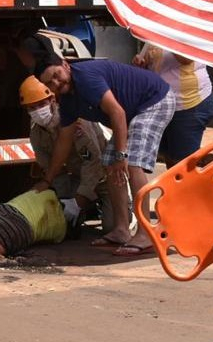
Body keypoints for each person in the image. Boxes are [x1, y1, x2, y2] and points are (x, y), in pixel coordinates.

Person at [32, 53, 175, 256]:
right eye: (50, 83)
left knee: (132, 164)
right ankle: (121, 230)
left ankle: (145, 234)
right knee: (109, 164)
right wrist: (47, 180)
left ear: (65, 65)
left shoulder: (86, 78)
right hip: (130, 112)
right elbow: (64, 141)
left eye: (57, 75)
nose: (56, 82)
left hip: (154, 100)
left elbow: (117, 113)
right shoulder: (68, 101)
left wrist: (121, 155)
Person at [19, 75, 115, 231]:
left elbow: (94, 163)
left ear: (52, 100)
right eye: (32, 107)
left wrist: (78, 201)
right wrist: (63, 201)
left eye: (41, 104)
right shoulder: (37, 134)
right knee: (67, 224)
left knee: (112, 227)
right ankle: (86, 208)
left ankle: (120, 202)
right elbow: (54, 171)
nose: (38, 111)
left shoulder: (75, 122)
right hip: (79, 177)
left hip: (106, 177)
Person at [132, 43, 213, 166]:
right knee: (171, 159)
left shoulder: (182, 30)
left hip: (188, 103)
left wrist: (168, 35)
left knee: (183, 164)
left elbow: (186, 59)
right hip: (162, 104)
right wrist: (141, 63)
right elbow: (151, 65)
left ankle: (191, 185)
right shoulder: (152, 33)